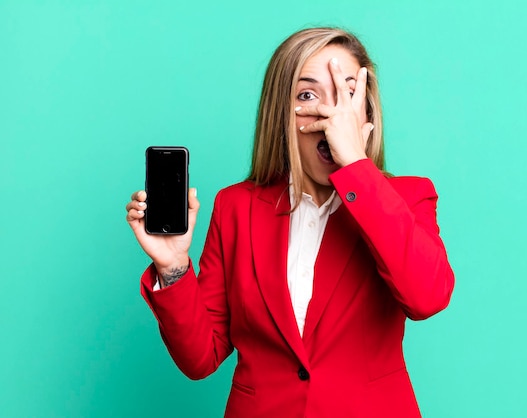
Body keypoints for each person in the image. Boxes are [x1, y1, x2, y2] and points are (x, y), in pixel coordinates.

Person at [126, 27, 454, 418]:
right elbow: (201, 358)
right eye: (308, 94)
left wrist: (357, 168)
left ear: (366, 112)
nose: (329, 113)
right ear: (280, 113)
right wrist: (173, 266)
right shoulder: (236, 207)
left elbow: (427, 298)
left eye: (348, 94)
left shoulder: (407, 197)